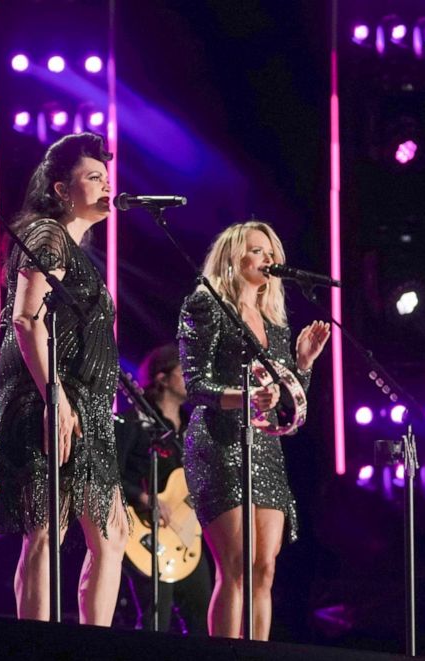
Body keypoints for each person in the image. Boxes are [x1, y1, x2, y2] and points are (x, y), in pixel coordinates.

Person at [0, 132, 128, 626]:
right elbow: (26, 320)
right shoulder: (46, 234)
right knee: (45, 529)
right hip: (47, 396)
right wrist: (55, 396)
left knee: (111, 535)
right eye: (93, 178)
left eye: (107, 178)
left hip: (86, 403)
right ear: (60, 188)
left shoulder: (75, 247)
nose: (106, 187)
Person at [177, 221, 330, 639]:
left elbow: (288, 408)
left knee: (265, 568)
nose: (269, 260)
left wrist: (303, 364)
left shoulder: (275, 324)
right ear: (233, 257)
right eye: (259, 251)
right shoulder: (205, 305)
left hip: (264, 447)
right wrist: (242, 397)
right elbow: (195, 386)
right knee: (238, 565)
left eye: (272, 252)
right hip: (219, 441)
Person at [116, 344, 211, 634]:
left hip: (185, 538)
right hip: (146, 531)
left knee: (202, 618)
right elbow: (111, 476)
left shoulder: (195, 428)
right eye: (184, 372)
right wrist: (143, 497)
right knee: (156, 620)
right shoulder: (132, 423)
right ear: (162, 378)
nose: (192, 378)